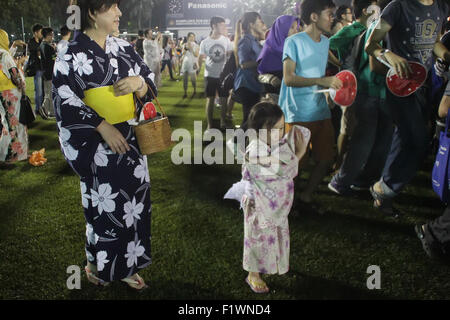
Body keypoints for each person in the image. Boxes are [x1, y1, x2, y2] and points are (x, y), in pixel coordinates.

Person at [52, 0, 158, 290]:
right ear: (92, 13)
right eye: (112, 7)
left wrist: (139, 82)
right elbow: (64, 99)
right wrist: (101, 125)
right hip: (96, 143)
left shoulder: (124, 47)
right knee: (102, 206)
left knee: (133, 204)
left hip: (131, 138)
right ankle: (94, 263)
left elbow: (149, 81)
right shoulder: (69, 52)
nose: (119, 13)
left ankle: (126, 266)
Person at [366, 0, 450, 217]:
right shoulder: (398, 7)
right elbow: (371, 45)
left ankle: (384, 193)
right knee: (418, 141)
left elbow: (433, 41)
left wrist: (446, 55)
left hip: (424, 85)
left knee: (405, 138)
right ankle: (383, 188)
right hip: (400, 86)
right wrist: (390, 56)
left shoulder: (440, 7)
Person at [224, 102, 310, 293]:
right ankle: (253, 274)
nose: (279, 134)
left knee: (273, 235)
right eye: (274, 130)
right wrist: (300, 153)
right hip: (258, 205)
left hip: (273, 203)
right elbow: (280, 171)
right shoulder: (255, 150)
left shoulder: (276, 144)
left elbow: (286, 167)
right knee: (257, 238)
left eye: (281, 128)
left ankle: (273, 262)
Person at [328, 0, 395, 195]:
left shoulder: (378, 26)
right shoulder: (374, 27)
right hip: (370, 91)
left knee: (381, 142)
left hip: (381, 93)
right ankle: (341, 181)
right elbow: (374, 65)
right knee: (363, 141)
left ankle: (364, 180)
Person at [279, 0, 342, 204]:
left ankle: (306, 196)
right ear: (314, 17)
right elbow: (289, 79)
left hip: (320, 109)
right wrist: (321, 80)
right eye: (329, 14)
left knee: (326, 158)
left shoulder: (325, 42)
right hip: (298, 111)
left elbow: (335, 62)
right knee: (297, 164)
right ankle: (288, 202)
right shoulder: (293, 42)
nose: (333, 18)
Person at [329, 0, 378, 171]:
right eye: (375, 6)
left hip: (368, 86)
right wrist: (340, 64)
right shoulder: (349, 30)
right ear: (366, 11)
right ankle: (339, 162)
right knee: (347, 126)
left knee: (362, 125)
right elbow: (327, 45)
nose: (378, 9)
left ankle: (357, 161)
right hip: (350, 86)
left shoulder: (374, 28)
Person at [199, 16, 233, 132]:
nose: (224, 27)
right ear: (214, 26)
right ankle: (210, 124)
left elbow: (230, 55)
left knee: (224, 99)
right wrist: (198, 66)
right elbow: (200, 56)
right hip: (210, 75)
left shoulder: (226, 40)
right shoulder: (205, 42)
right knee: (210, 99)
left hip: (223, 76)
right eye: (222, 25)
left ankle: (223, 122)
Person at [0, 29, 28, 164]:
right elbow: (14, 73)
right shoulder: (4, 55)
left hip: (1, 93)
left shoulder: (2, 54)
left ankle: (5, 153)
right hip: (10, 92)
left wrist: (14, 46)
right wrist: (22, 86)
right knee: (16, 124)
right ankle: (15, 155)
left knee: (6, 123)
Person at [234, 12, 267, 127]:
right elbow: (243, 64)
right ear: (251, 24)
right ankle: (236, 142)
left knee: (252, 119)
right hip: (247, 85)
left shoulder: (254, 40)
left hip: (254, 84)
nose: (262, 24)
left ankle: (241, 142)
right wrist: (263, 62)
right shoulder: (246, 40)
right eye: (259, 21)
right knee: (250, 119)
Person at [257, 15, 302, 98]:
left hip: (294, 93)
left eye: (297, 28)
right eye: (292, 27)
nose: (296, 32)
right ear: (281, 29)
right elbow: (260, 74)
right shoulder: (269, 50)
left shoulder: (295, 48)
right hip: (275, 95)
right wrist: (271, 79)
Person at [27, 23, 44, 117]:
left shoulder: (42, 41)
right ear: (35, 33)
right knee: (39, 90)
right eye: (41, 32)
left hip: (43, 68)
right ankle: (38, 108)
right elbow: (34, 50)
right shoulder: (31, 42)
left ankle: (43, 107)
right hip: (37, 68)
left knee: (43, 90)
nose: (42, 34)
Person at [40, 27, 57, 119]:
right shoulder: (48, 47)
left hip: (45, 72)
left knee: (48, 93)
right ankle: (44, 108)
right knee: (50, 93)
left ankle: (50, 112)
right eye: (52, 34)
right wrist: (54, 50)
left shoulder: (42, 45)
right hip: (50, 73)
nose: (53, 36)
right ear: (49, 35)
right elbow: (53, 60)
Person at [181, 32, 199, 98]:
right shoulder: (184, 44)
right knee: (185, 79)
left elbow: (196, 55)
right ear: (188, 37)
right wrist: (186, 48)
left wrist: (191, 48)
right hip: (185, 63)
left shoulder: (196, 45)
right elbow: (182, 53)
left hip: (193, 63)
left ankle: (194, 90)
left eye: (193, 37)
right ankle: (185, 92)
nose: (192, 38)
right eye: (191, 37)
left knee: (193, 79)